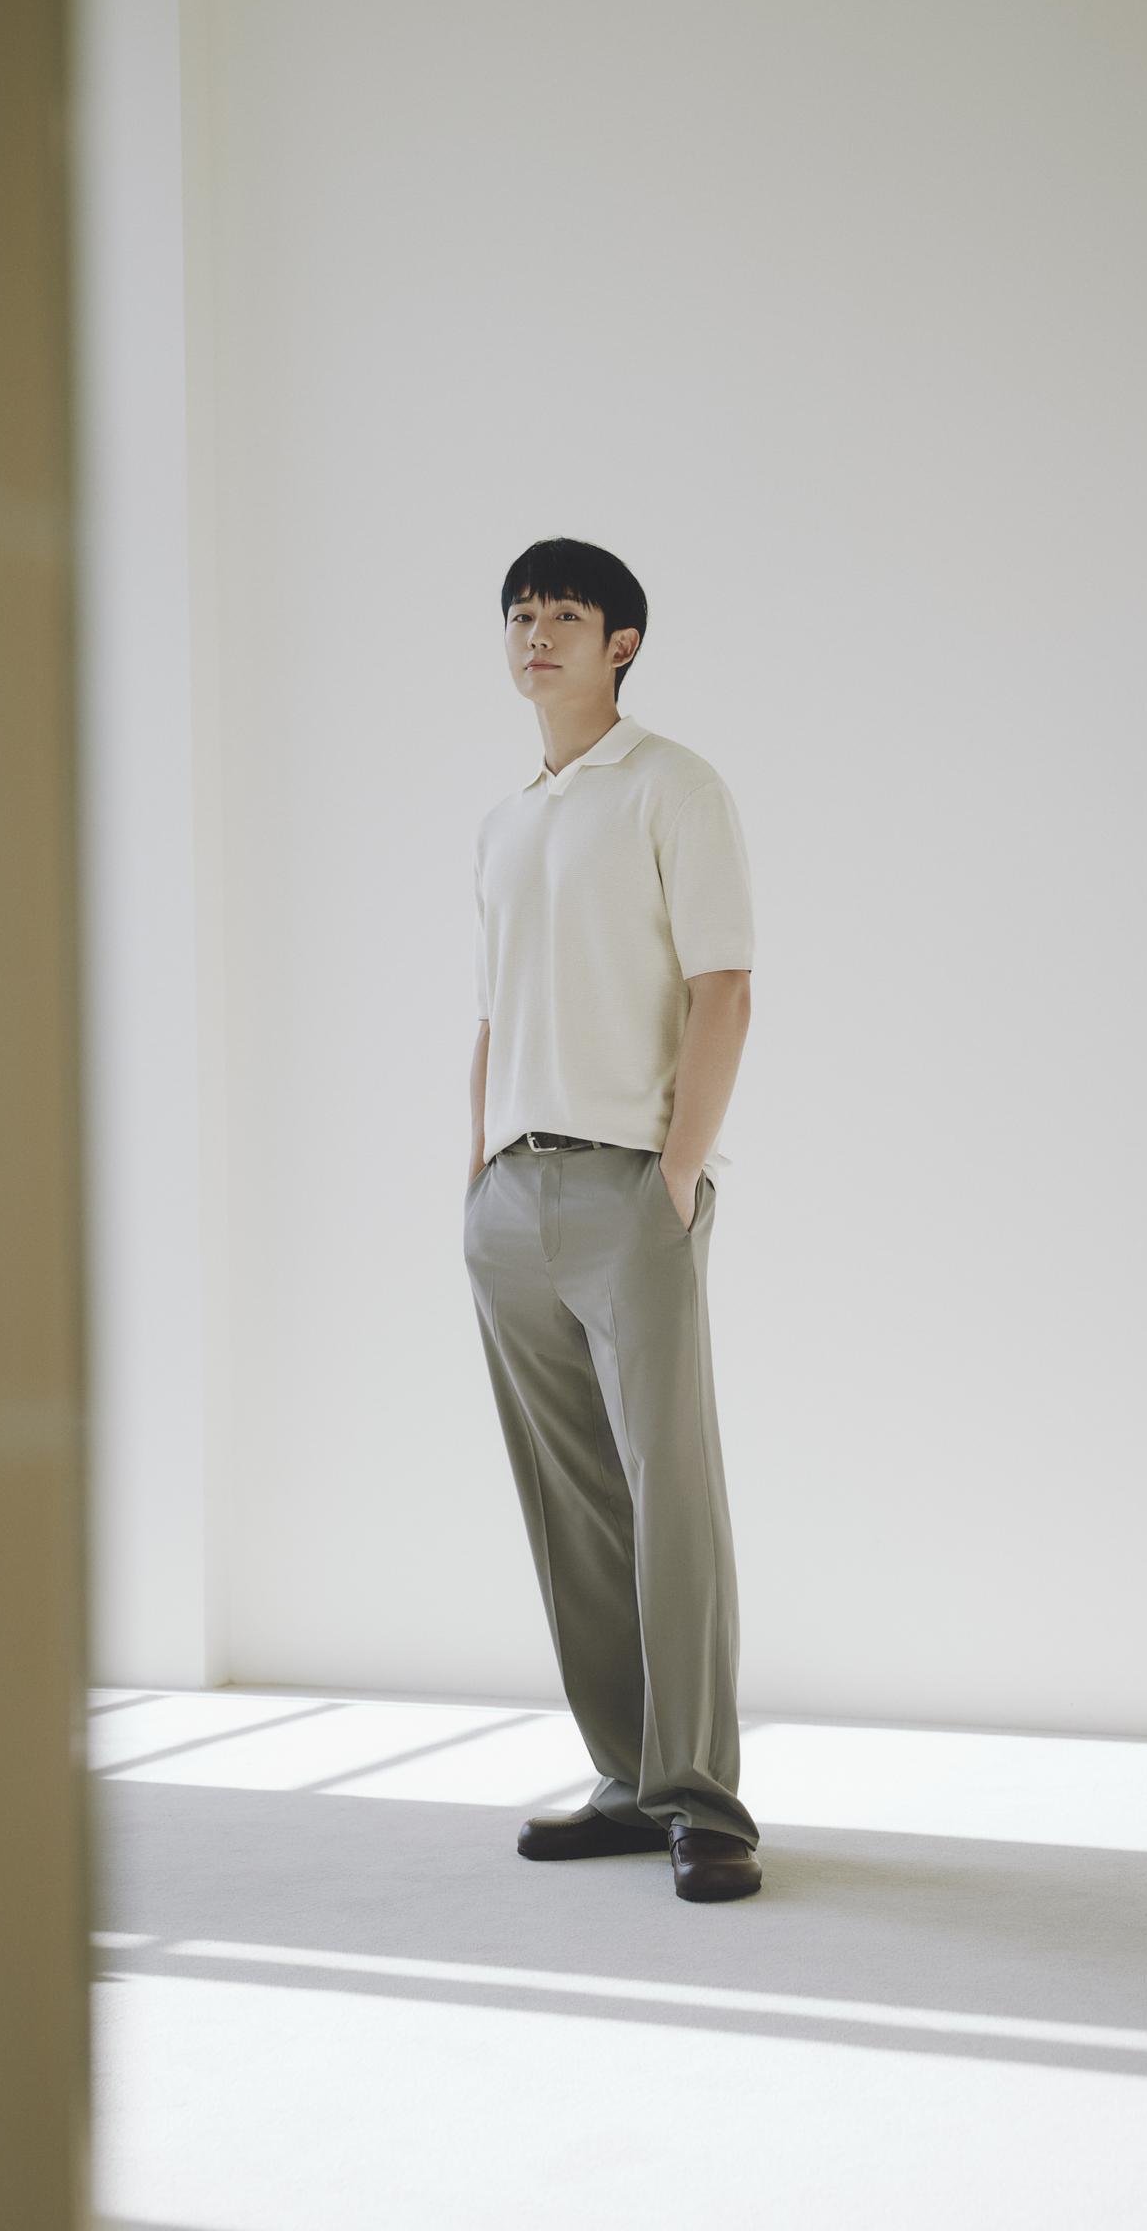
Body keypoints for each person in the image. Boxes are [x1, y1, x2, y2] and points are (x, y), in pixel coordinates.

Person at [464, 537, 761, 1904]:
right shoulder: (505, 821)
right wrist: (475, 1177)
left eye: (564, 615)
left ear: (620, 644)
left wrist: (677, 1177)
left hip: (632, 1186)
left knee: (670, 1494)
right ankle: (630, 1780)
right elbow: (494, 1014)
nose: (535, 633)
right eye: (520, 613)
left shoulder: (672, 787)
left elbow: (723, 988)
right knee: (571, 1503)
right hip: (511, 1198)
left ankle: (703, 1800)